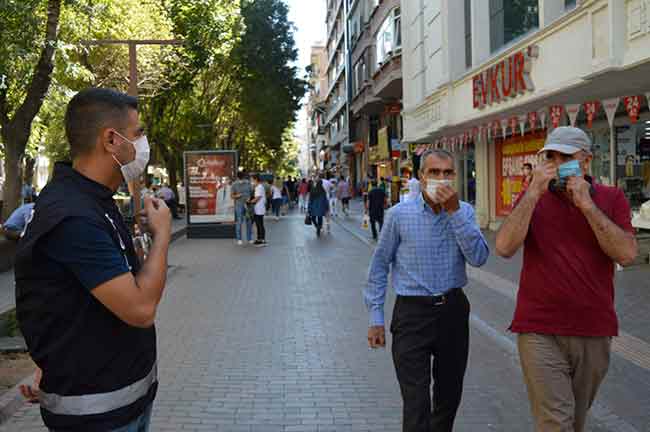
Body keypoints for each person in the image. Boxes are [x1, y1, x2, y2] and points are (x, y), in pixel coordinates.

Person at [14, 88, 171, 431]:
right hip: (97, 417)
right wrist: (162, 235)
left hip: (124, 403)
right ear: (111, 140)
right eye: (138, 133)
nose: (143, 143)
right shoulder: (74, 216)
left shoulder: (93, 201)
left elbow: (66, 298)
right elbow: (140, 309)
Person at [495, 127, 638, 432]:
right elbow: (504, 247)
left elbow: (626, 255)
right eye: (551, 157)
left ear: (585, 162)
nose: (557, 164)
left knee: (574, 421)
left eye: (566, 157)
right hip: (539, 328)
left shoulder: (611, 198)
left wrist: (588, 207)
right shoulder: (532, 197)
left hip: (593, 329)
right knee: (555, 423)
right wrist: (532, 192)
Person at [364, 149, 489, 432]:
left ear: (455, 177)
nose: (441, 179)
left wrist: (455, 212)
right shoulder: (398, 215)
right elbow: (379, 265)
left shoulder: (465, 212)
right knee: (416, 401)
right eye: (434, 173)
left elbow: (479, 257)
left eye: (447, 173)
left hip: (452, 311)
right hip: (411, 313)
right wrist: (375, 318)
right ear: (421, 177)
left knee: (448, 397)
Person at [231, 171, 253, 245]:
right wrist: (237, 196)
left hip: (248, 205)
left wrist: (249, 198)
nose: (242, 179)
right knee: (239, 222)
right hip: (239, 205)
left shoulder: (248, 183)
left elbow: (252, 193)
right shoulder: (234, 184)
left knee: (248, 222)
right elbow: (232, 196)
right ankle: (239, 239)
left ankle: (249, 238)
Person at [250, 174, 267, 247]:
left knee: (259, 224)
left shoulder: (259, 187)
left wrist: (250, 202)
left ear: (255, 179)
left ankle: (262, 240)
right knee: (258, 224)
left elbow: (257, 198)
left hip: (259, 209)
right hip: (258, 208)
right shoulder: (258, 187)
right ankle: (259, 239)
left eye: (252, 179)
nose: (251, 181)